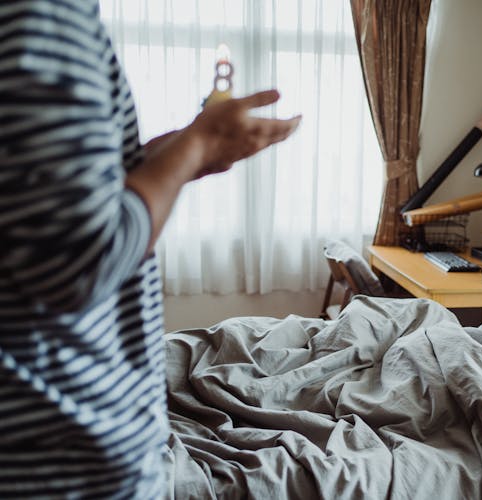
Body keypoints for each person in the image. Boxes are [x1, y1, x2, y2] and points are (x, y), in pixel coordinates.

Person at [0, 1, 300, 497]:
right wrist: (195, 148)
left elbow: (58, 196)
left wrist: (184, 151)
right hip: (59, 455)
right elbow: (83, 260)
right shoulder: (43, 12)